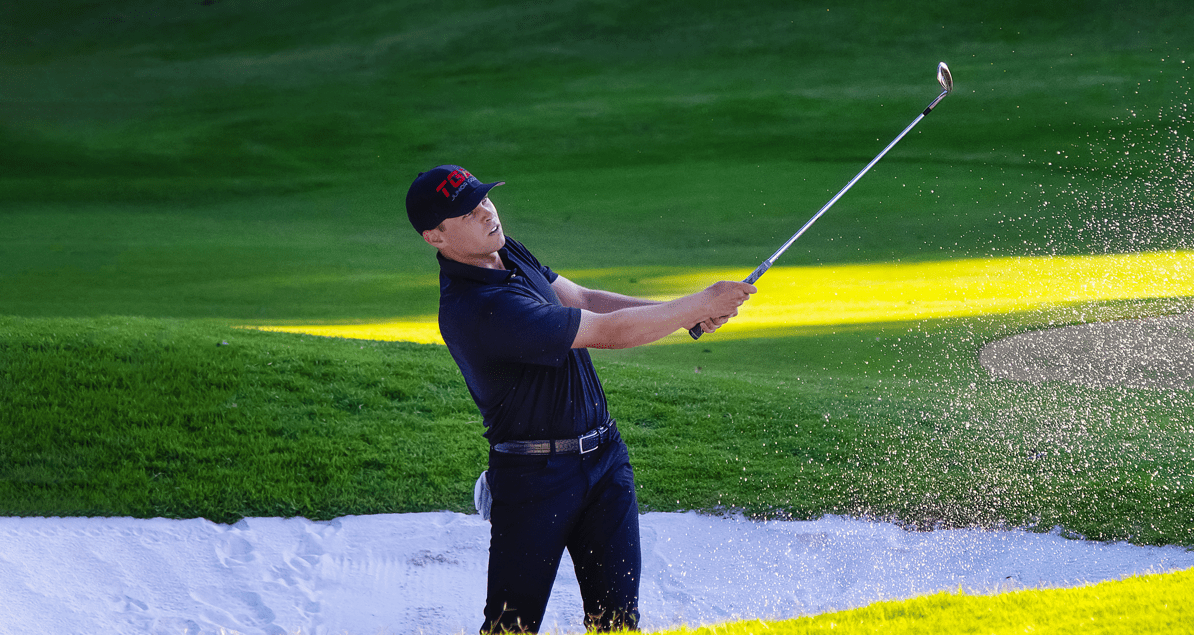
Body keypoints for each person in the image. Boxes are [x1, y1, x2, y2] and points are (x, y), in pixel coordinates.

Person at [405, 165, 755, 633]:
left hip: (606, 461)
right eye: (468, 212)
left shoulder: (504, 251)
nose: (487, 212)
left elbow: (584, 299)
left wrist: (682, 314)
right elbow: (606, 332)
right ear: (435, 236)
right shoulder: (478, 309)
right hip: (535, 480)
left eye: (484, 199)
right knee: (512, 627)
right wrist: (699, 303)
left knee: (617, 622)